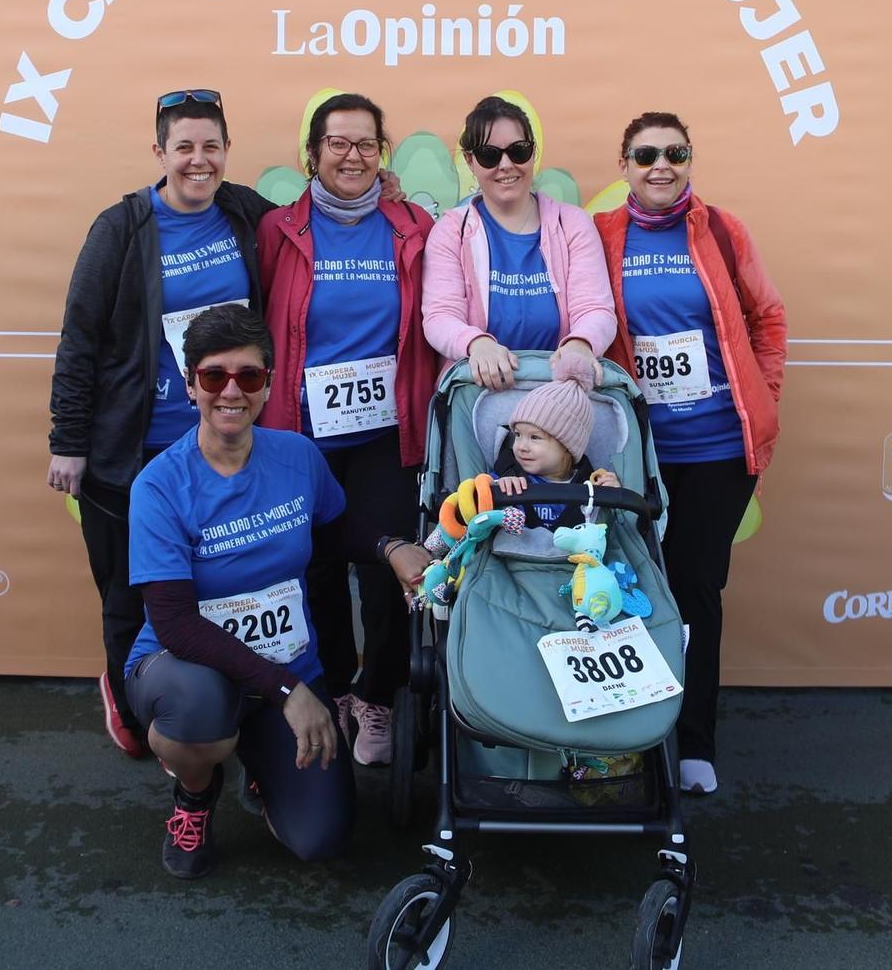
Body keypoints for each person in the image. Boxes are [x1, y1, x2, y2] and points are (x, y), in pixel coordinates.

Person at [124, 305, 434, 878]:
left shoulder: (297, 455)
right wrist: (290, 690)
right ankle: (196, 792)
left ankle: (263, 765)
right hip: (186, 670)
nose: (232, 391)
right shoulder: (159, 486)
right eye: (215, 376)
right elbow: (175, 624)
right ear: (191, 384)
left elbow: (334, 529)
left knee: (323, 839)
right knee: (199, 705)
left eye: (250, 375)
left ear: (269, 383)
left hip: (282, 671)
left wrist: (392, 548)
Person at [47, 90, 271, 760]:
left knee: (223, 579)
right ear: (160, 153)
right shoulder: (121, 229)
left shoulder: (244, 213)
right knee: (128, 588)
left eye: (211, 147)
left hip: (226, 442)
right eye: (185, 147)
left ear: (226, 152)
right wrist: (69, 440)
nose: (198, 161)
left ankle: (218, 699)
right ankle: (127, 692)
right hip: (137, 448)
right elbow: (79, 339)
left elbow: (308, 228)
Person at [592, 112, 786, 796]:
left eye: (674, 153)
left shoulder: (722, 232)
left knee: (698, 588)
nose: (660, 165)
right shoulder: (601, 234)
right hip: (636, 450)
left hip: (714, 449)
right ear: (624, 165)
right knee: (625, 590)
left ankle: (695, 739)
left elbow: (768, 317)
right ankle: (630, 732)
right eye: (645, 154)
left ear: (689, 159)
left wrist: (763, 396)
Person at [257, 93, 436, 768]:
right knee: (316, 567)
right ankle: (332, 688)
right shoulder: (277, 230)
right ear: (313, 151)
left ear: (381, 153)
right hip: (302, 434)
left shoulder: (412, 224)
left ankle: (377, 695)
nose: (353, 155)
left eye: (366, 143)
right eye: (338, 143)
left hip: (387, 432)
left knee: (388, 568)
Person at [421, 95, 616, 390]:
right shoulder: (451, 231)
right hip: (478, 397)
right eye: (489, 155)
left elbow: (595, 309)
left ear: (533, 153)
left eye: (518, 151)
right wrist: (475, 343)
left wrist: (581, 343)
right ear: (470, 161)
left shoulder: (573, 224)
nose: (506, 165)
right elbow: (439, 315)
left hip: (561, 396)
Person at [489, 351, 621, 530]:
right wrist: (496, 488)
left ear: (568, 446)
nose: (520, 447)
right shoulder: (509, 476)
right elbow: (474, 497)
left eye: (535, 437)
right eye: (517, 435)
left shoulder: (591, 485)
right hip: (512, 554)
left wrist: (615, 496)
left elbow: (616, 531)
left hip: (578, 557)